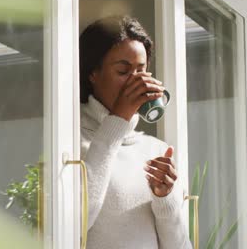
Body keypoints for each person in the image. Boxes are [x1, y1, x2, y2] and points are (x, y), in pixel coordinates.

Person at [80, 15, 192, 249]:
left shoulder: (156, 150)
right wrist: (118, 120)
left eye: (141, 71)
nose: (135, 82)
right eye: (123, 71)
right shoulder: (70, 143)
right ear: (93, 74)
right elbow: (74, 223)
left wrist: (165, 199)